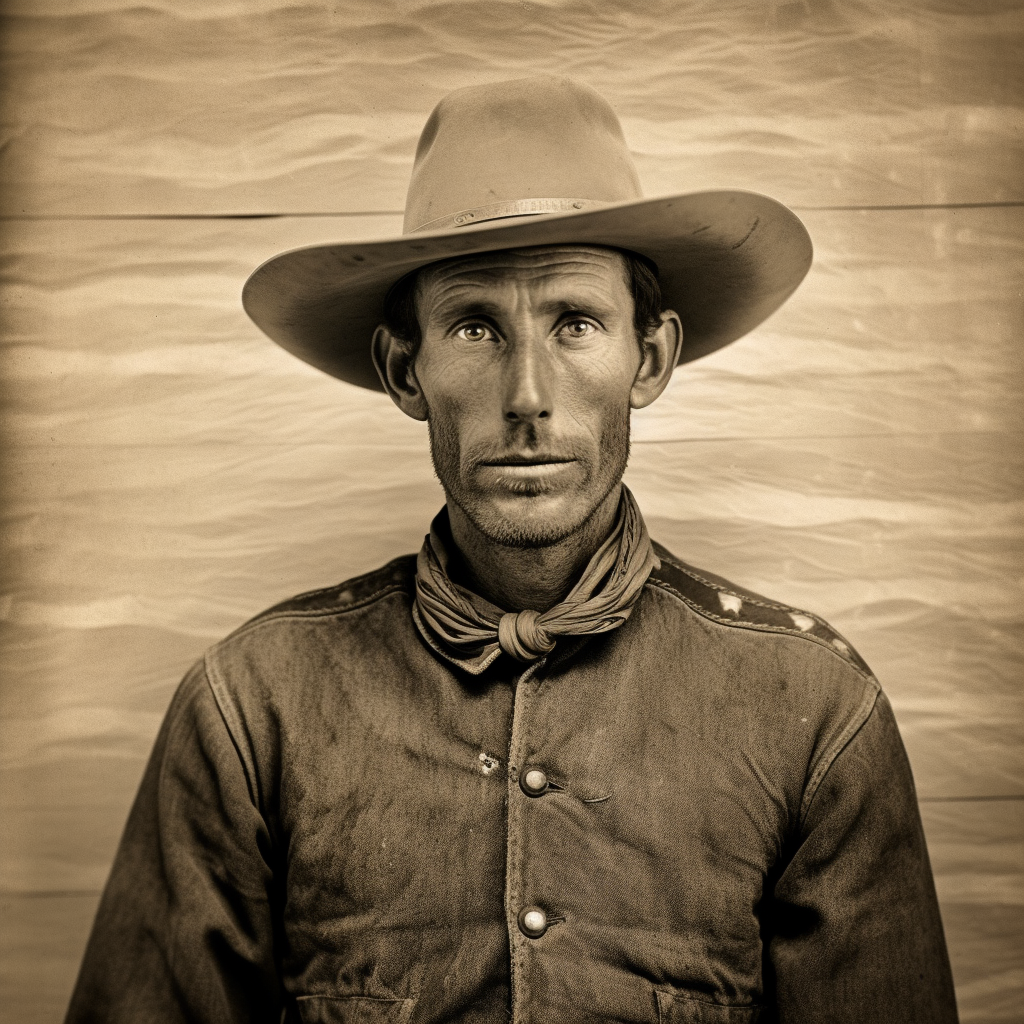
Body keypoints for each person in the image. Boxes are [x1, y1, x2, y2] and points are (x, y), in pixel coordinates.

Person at [66, 77, 958, 1023]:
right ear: (404, 371)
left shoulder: (817, 714)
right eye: (476, 326)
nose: (528, 393)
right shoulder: (250, 709)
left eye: (575, 323)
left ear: (647, 360)